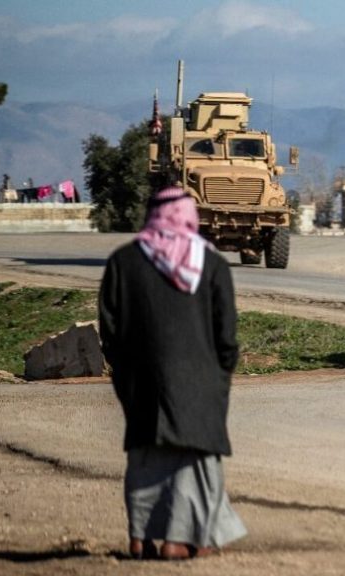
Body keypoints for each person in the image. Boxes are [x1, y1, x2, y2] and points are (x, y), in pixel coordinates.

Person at [99, 187, 246, 560]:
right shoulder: (211, 264)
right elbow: (226, 336)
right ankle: (179, 541)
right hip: (199, 382)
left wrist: (127, 375)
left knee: (145, 457)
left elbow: (110, 332)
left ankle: (140, 538)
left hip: (140, 381)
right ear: (188, 216)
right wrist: (220, 376)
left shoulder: (123, 262)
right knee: (193, 462)